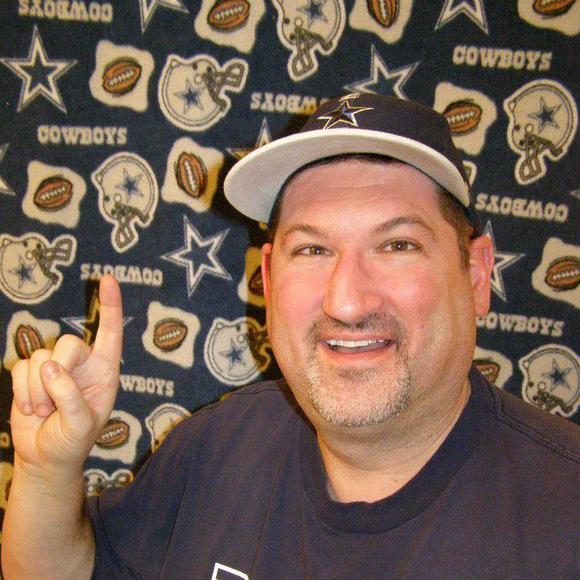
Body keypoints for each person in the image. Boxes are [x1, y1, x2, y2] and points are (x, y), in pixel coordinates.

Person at [3, 94, 578, 579]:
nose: (347, 301)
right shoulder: (214, 447)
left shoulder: (565, 511)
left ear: (475, 277)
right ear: (269, 279)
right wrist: (45, 475)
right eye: (312, 249)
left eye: (397, 245)